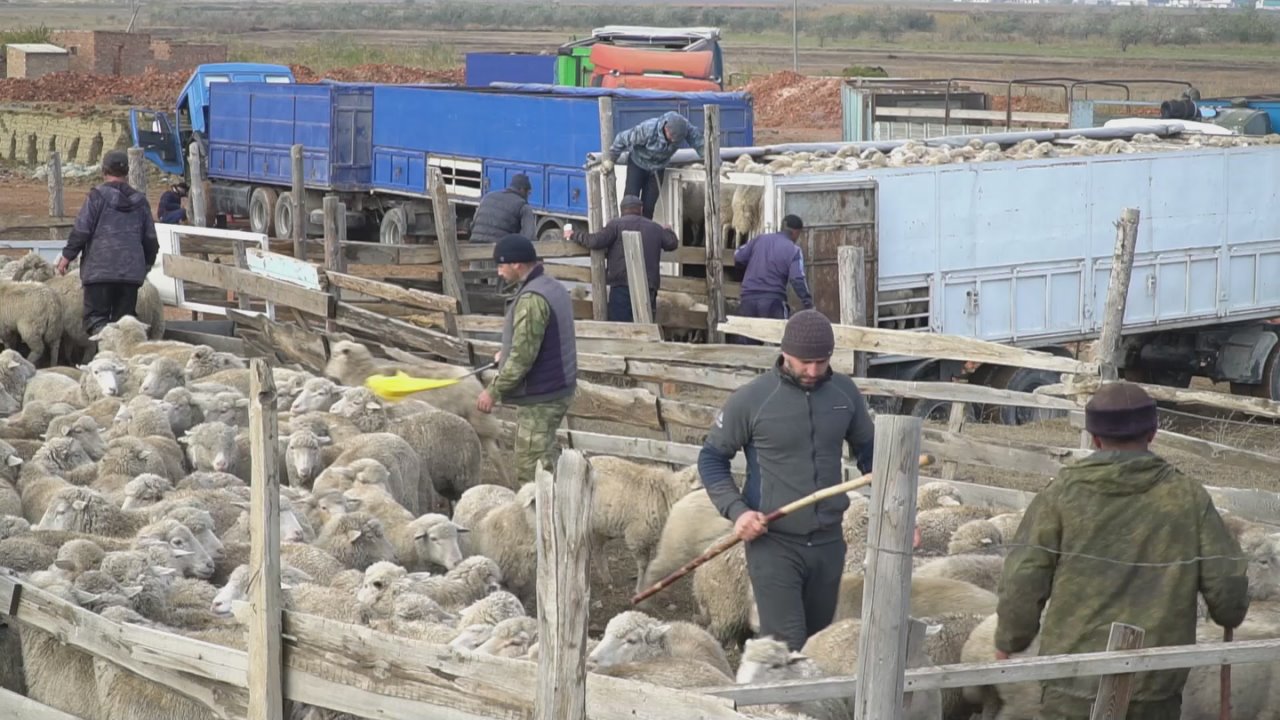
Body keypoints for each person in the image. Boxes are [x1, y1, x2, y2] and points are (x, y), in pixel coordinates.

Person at [995, 381, 1249, 720]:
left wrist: (1009, 639)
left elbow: (1023, 578)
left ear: (1095, 438)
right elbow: (1227, 585)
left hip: (1073, 682)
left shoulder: (1060, 496)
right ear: (1153, 433)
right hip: (1156, 682)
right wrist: (1230, 611)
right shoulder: (1187, 497)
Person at [697, 310, 875, 652]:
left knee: (818, 647)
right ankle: (769, 705)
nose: (812, 371)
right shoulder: (753, 400)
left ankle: (800, 705)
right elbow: (711, 459)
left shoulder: (844, 394)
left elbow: (871, 451)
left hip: (828, 544)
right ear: (785, 354)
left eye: (821, 362)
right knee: (785, 645)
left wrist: (897, 501)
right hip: (775, 544)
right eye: (804, 362)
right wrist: (738, 512)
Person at [476, 234, 578, 486]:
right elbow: (537, 339)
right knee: (546, 455)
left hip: (542, 395)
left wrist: (493, 392)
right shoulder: (551, 286)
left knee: (532, 470)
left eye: (501, 266)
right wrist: (506, 352)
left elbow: (522, 358)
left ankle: (541, 522)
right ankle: (558, 509)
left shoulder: (532, 299)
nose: (498, 272)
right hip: (557, 385)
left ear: (517, 265)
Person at [56, 149, 159, 338]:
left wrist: (66, 257)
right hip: (129, 275)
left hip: (99, 271)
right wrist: (145, 265)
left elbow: (82, 230)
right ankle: (118, 363)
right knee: (124, 324)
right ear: (127, 172)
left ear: (104, 171)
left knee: (97, 321)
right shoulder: (140, 202)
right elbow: (151, 240)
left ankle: (103, 361)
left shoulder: (96, 197)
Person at [570, 194, 678, 322]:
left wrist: (574, 235)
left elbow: (595, 241)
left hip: (621, 286)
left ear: (622, 210)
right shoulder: (655, 228)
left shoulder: (615, 225)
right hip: (647, 287)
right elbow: (672, 243)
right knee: (645, 329)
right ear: (641, 209)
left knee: (620, 328)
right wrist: (668, 230)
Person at [603, 111, 705, 220]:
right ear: (665, 128)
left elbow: (701, 144)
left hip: (658, 168)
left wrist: (714, 162)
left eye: (677, 140)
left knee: (649, 206)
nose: (673, 141)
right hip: (638, 164)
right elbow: (621, 138)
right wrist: (611, 159)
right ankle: (626, 231)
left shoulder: (686, 129)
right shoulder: (647, 130)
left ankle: (645, 234)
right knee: (630, 201)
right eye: (671, 137)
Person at [731, 214, 814, 344]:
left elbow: (738, 257)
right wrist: (808, 302)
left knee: (747, 349)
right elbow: (797, 279)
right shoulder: (794, 250)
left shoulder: (759, 240)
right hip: (773, 302)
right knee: (781, 345)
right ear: (796, 233)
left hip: (748, 300)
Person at [469, 173, 535, 244]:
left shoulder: (487, 197)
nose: (528, 196)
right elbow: (529, 236)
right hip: (500, 249)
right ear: (522, 189)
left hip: (475, 244)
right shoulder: (523, 205)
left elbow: (473, 225)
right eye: (528, 193)